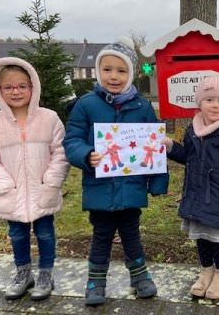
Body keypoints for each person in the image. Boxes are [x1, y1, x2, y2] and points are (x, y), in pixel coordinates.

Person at [63, 37, 168, 306]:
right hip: (99, 187)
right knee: (102, 235)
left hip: (131, 186)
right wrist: (86, 155)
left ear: (131, 74)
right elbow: (72, 139)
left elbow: (153, 146)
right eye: (107, 69)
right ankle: (96, 280)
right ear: (98, 72)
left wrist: (157, 182)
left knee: (132, 232)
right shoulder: (85, 105)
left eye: (121, 71)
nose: (114, 76)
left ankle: (140, 275)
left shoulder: (142, 107)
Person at [0, 57, 69, 301]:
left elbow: (60, 152)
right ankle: (23, 272)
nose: (15, 91)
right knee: (17, 234)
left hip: (42, 190)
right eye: (8, 87)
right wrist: (2, 184)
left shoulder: (49, 119)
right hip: (12, 193)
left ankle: (46, 273)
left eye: (21, 86)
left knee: (46, 233)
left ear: (32, 87)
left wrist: (51, 181)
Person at [161, 76, 219, 300]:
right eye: (209, 99)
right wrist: (172, 147)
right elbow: (188, 157)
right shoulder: (193, 129)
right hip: (196, 194)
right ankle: (205, 271)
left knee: (218, 239)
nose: (214, 105)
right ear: (199, 102)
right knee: (201, 237)